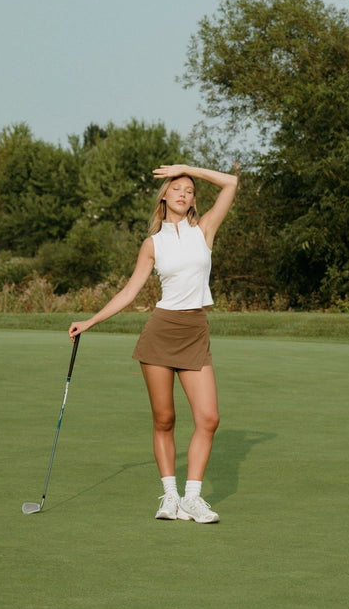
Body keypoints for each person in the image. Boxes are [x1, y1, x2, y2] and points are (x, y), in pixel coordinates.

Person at [68, 163, 238, 523]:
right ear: (164, 196)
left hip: (195, 331)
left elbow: (231, 182)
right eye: (176, 188)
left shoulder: (204, 230)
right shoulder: (153, 244)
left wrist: (186, 169)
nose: (183, 193)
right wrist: (91, 321)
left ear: (193, 202)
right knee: (164, 419)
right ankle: (170, 497)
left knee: (208, 418)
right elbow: (130, 292)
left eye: (189, 191)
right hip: (160, 332)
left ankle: (193, 498)